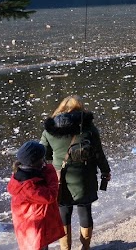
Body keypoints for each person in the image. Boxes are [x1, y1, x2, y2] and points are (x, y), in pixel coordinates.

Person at [40, 95, 111, 250]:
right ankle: (85, 247)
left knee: (63, 214)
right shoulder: (89, 129)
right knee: (85, 211)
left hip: (60, 180)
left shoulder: (50, 131)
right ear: (80, 109)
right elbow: (99, 154)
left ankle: (66, 249)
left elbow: (43, 155)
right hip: (85, 178)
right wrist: (105, 172)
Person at [8, 140, 65, 250]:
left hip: (28, 225)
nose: (44, 160)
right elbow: (50, 196)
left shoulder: (22, 174)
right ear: (35, 162)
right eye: (42, 158)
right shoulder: (29, 185)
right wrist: (50, 171)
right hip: (33, 227)